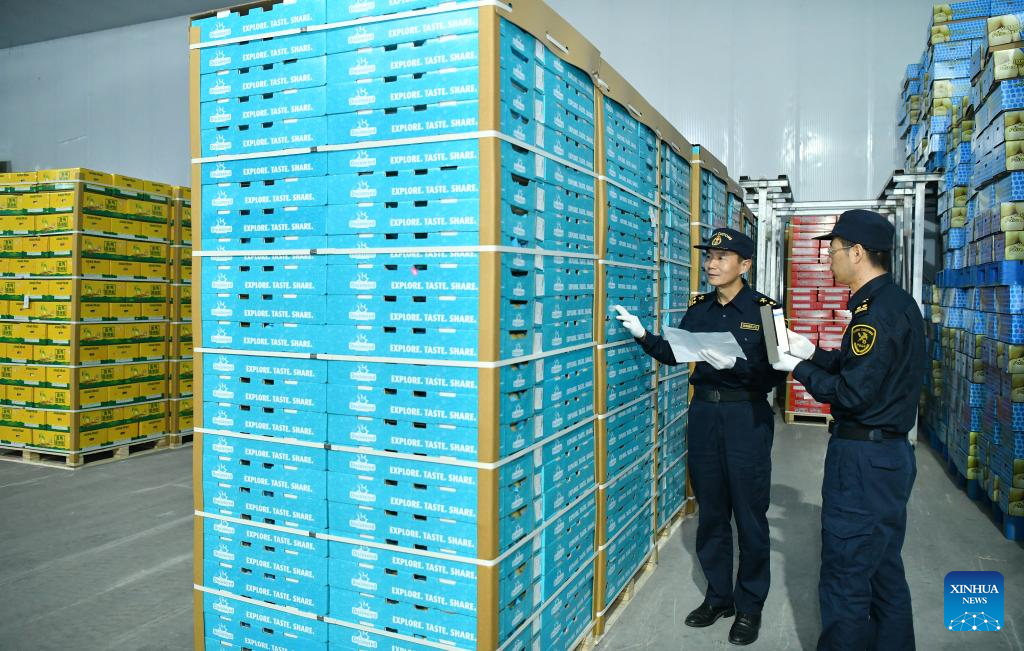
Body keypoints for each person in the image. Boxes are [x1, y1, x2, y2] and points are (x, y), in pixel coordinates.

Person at [615, 227, 787, 646]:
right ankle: (718, 597)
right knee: (711, 512)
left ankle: (749, 606)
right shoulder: (699, 308)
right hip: (705, 415)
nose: (711, 264)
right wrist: (643, 336)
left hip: (746, 416)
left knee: (749, 515)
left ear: (744, 265)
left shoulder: (767, 310)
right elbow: (676, 353)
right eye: (709, 256)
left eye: (721, 257)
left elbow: (778, 373)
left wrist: (737, 367)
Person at [771, 209, 924, 651]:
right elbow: (862, 368)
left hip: (863, 464)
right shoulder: (893, 303)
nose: (828, 259)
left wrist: (795, 367)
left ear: (857, 253)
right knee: (883, 572)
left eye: (833, 250)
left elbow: (853, 394)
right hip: (887, 459)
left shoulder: (874, 315)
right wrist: (813, 352)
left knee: (846, 577)